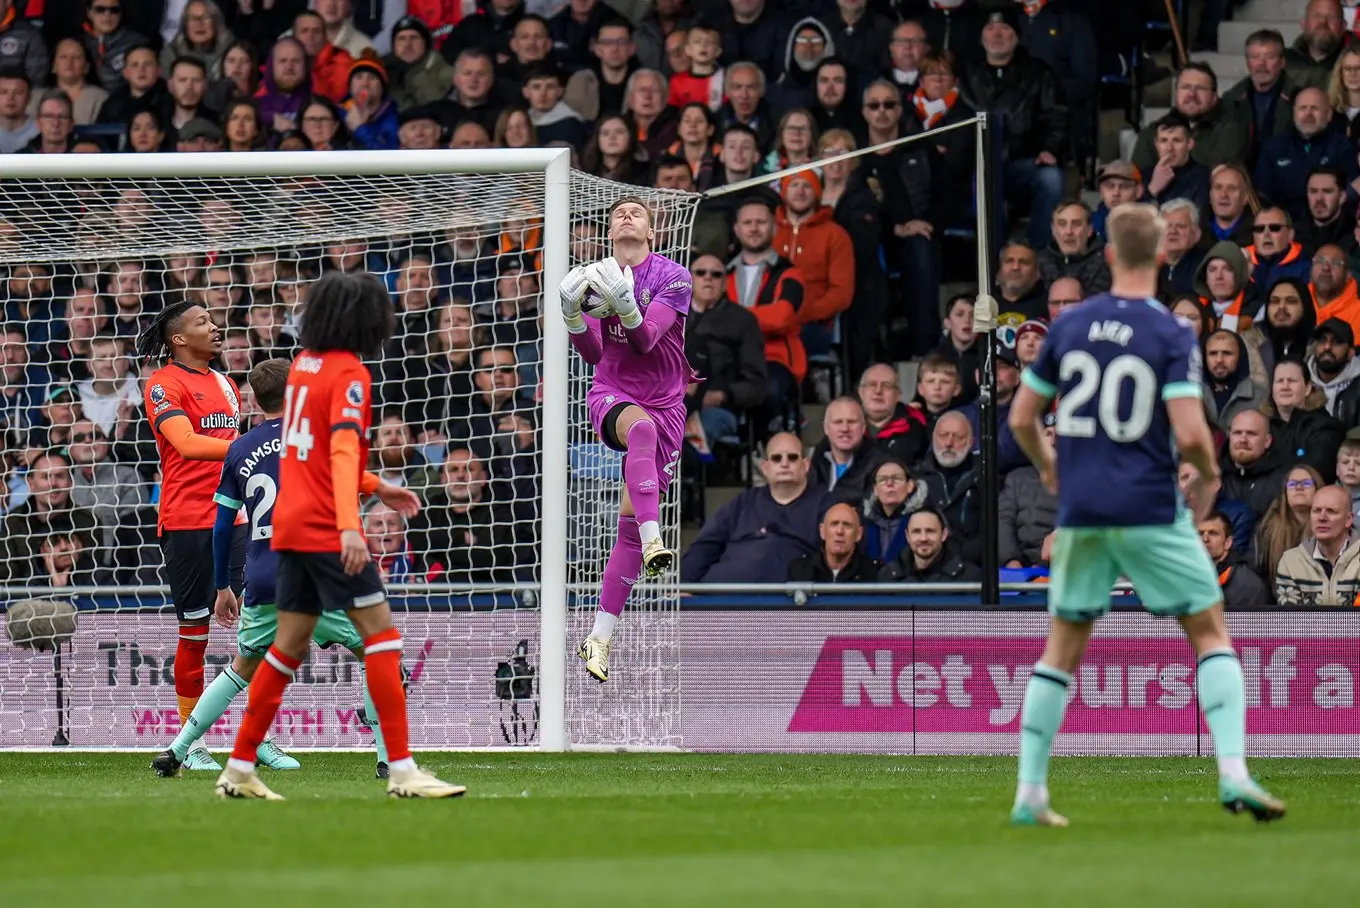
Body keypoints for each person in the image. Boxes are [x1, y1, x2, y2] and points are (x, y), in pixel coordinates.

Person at [1007, 203, 1285, 826]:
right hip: (1150, 507)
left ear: (1106, 256)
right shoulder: (1168, 332)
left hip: (1080, 514)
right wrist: (1208, 473)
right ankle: (1234, 772)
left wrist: (1051, 469)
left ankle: (1030, 791)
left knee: (1062, 650)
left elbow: (1022, 418)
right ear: (1162, 258)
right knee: (1209, 633)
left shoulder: (1070, 326)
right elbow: (1190, 431)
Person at [217, 272, 464, 800]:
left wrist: (381, 487)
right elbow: (344, 449)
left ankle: (238, 771)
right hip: (327, 526)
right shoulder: (350, 373)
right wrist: (352, 525)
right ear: (366, 320)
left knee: (287, 647)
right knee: (383, 640)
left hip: (290, 524)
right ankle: (402, 771)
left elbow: (306, 450)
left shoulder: (302, 367)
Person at [151, 359, 415, 780]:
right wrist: (380, 487)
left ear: (254, 400)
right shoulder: (314, 439)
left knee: (242, 666)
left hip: (262, 575)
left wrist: (223, 586)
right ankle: (386, 756)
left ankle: (178, 748)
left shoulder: (238, 448)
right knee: (377, 652)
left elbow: (223, 526)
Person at [558, 195, 691, 684]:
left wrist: (625, 303)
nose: (627, 217)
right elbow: (594, 354)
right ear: (609, 233)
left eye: (637, 213)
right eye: (618, 215)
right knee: (639, 429)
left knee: (628, 532)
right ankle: (659, 541)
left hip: (668, 404)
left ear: (651, 233)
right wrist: (574, 319)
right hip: (613, 395)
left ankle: (598, 637)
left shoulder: (674, 276)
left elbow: (647, 339)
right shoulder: (590, 281)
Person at [135, 301, 246, 773]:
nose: (214, 326)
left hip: (234, 519)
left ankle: (258, 739)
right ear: (179, 339)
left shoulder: (226, 383)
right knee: (194, 635)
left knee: (254, 632)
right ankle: (191, 743)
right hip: (184, 522)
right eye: (202, 322)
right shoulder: (163, 383)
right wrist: (248, 446)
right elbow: (185, 444)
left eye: (212, 319)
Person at [1275, 483, 1360, 604]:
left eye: (1331, 511)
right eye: (1316, 511)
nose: (1322, 517)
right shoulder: (1291, 562)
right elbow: (1293, 621)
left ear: (1348, 520)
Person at [877, 507, 981, 583]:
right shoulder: (888, 575)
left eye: (930, 531)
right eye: (916, 531)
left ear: (944, 534)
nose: (923, 538)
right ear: (907, 536)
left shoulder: (968, 576)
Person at [787, 501, 880, 583]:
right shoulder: (799, 571)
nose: (839, 531)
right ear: (822, 531)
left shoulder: (873, 574)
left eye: (847, 525)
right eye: (834, 524)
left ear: (859, 534)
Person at [1197, 509, 1271, 606]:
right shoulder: (1182, 576)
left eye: (1213, 533)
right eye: (1200, 533)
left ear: (1228, 542)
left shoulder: (1249, 585)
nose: (1205, 539)